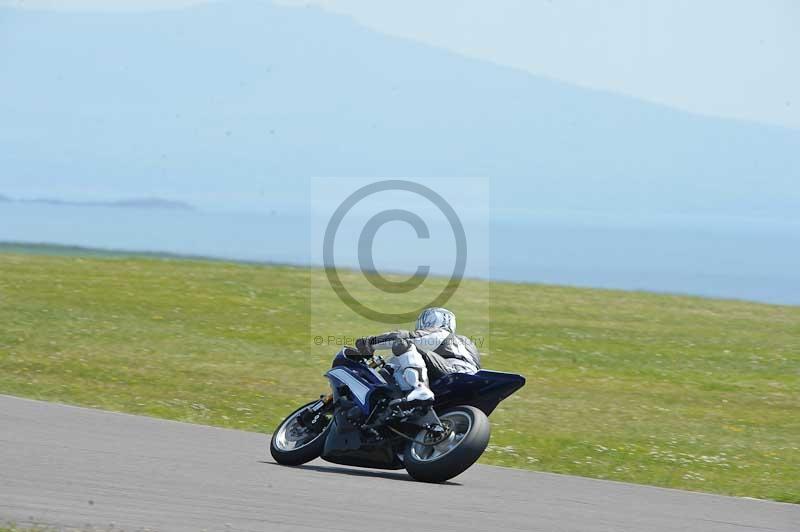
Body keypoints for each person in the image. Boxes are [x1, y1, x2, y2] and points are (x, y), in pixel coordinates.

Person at [356, 307, 481, 403]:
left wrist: (368, 343)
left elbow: (403, 338)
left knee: (403, 345)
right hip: (472, 382)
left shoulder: (439, 333)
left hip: (453, 374)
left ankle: (420, 387)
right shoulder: (467, 342)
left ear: (429, 320)